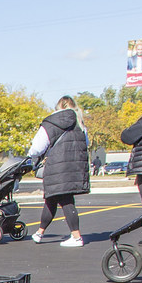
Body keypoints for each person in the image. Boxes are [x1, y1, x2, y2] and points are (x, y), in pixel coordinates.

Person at [27, 96, 90, 247]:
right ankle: (40, 232)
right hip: (74, 166)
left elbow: (37, 147)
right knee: (51, 200)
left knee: (66, 200)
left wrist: (31, 156)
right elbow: (85, 143)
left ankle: (76, 237)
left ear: (58, 107)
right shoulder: (80, 124)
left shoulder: (51, 122)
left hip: (56, 166)